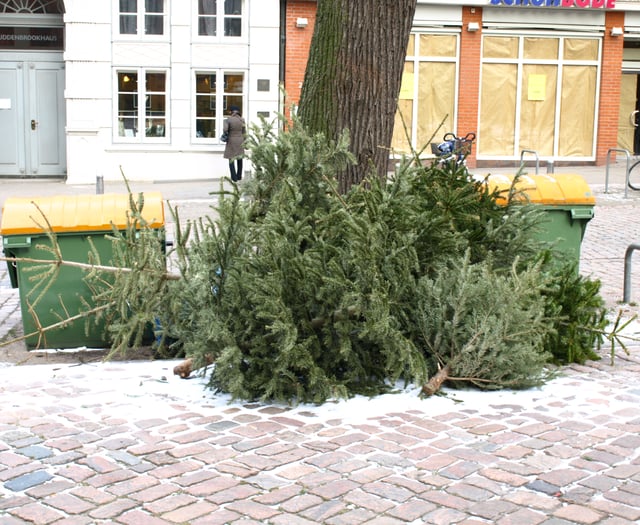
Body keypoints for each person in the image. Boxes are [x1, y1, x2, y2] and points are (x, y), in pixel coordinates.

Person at [222, 106, 246, 182]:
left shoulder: (228, 120)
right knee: (240, 159)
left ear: (231, 112)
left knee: (231, 159)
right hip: (240, 140)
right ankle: (239, 176)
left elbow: (225, 130)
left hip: (231, 140)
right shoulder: (242, 120)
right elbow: (244, 132)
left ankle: (234, 178)